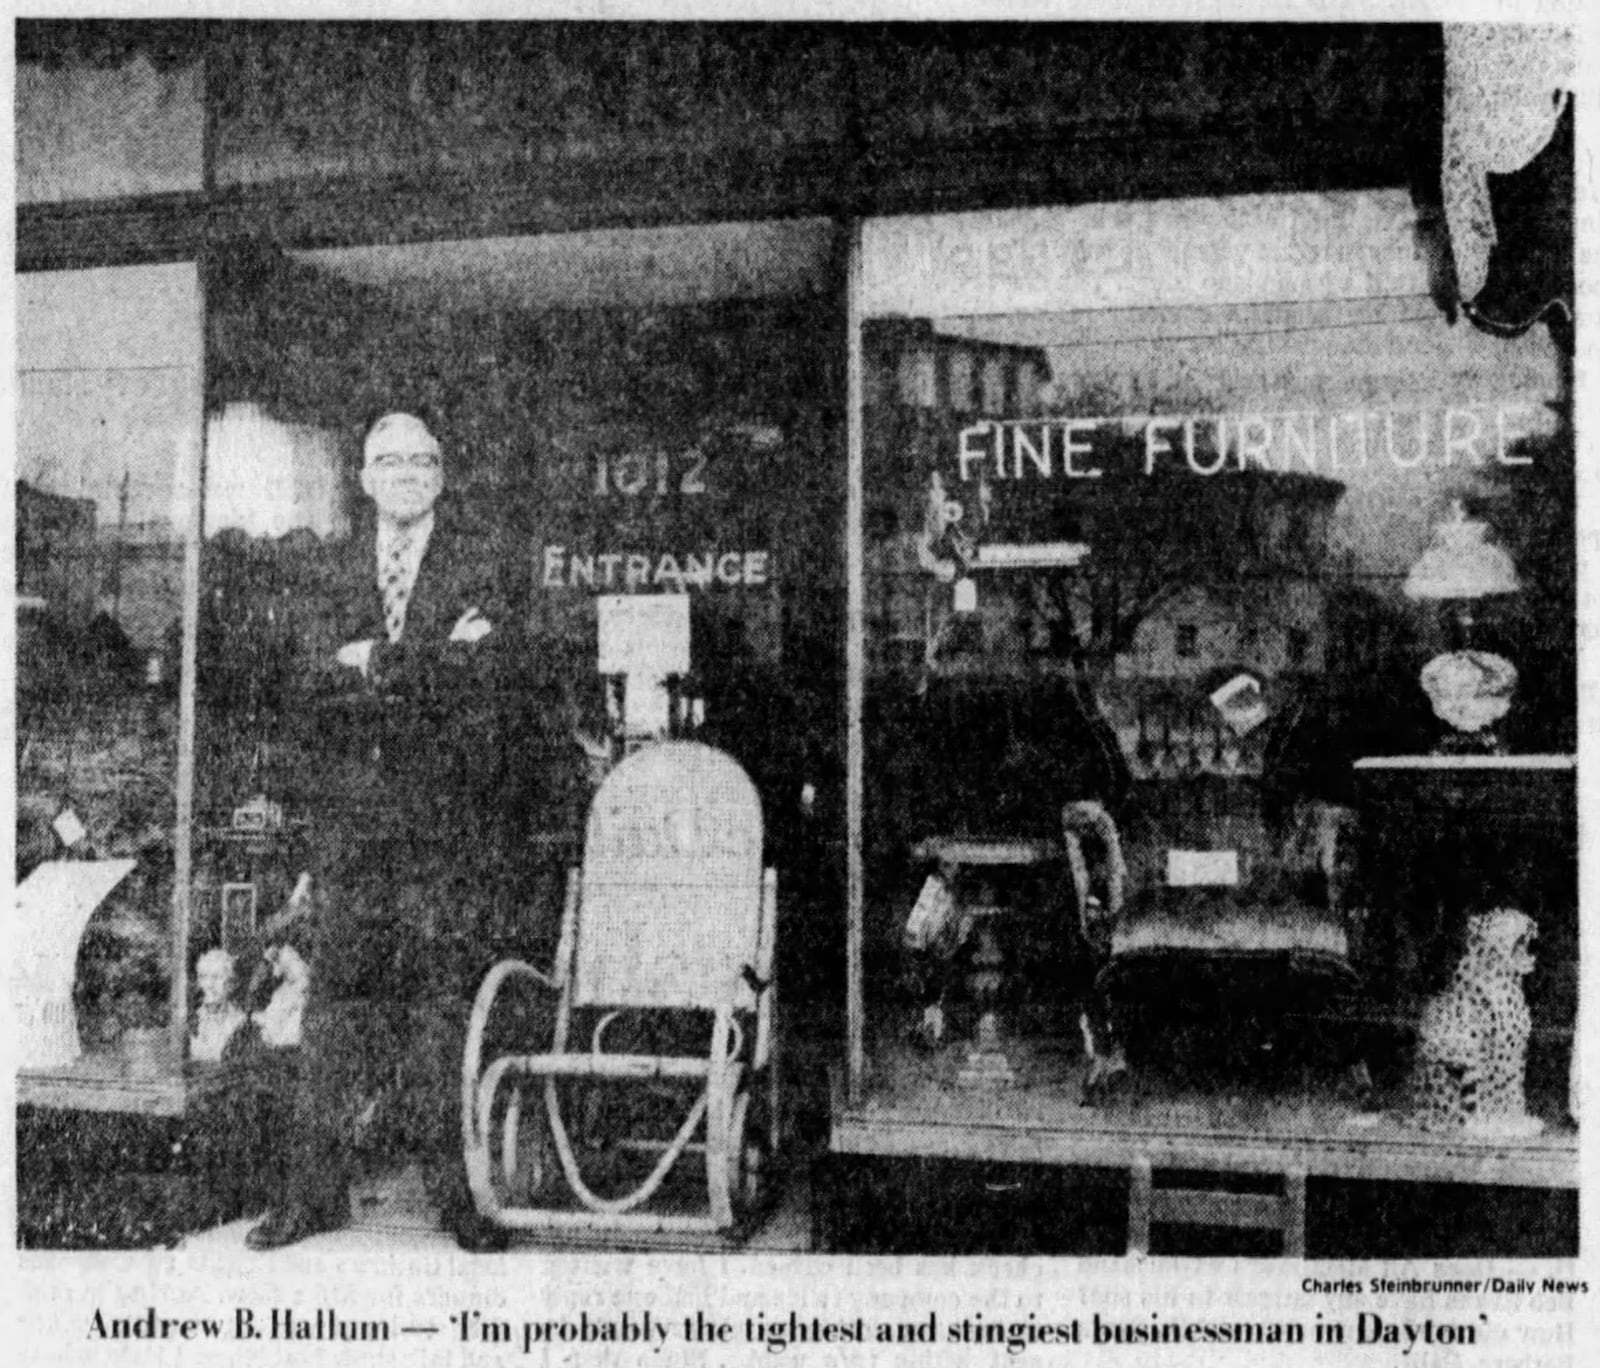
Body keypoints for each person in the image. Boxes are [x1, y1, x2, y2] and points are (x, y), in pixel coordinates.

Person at [247, 411, 521, 1252]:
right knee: (335, 1014)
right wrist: (428, 662)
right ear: (363, 478)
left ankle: (457, 1199)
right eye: (389, 460)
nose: (406, 473)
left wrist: (369, 661)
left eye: (422, 460)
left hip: (440, 831)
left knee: (439, 1014)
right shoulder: (327, 569)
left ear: (442, 475)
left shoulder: (481, 565)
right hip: (352, 830)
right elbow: (303, 681)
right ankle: (313, 1195)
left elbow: (485, 684)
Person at [189, 948, 248, 1063]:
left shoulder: (240, 1023)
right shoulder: (191, 1020)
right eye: (203, 977)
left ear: (231, 984)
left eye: (216, 977)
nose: (209, 985)